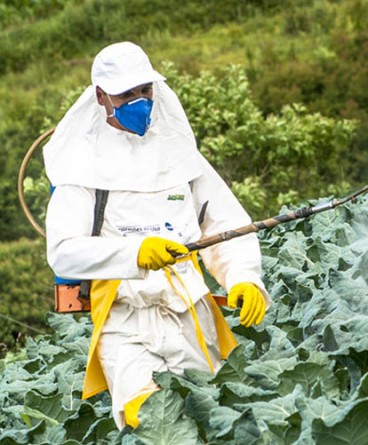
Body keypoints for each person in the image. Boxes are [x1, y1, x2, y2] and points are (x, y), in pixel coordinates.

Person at [44, 41, 270, 430]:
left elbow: (225, 223)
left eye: (145, 90)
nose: (140, 101)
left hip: (191, 311)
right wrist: (135, 253)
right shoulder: (79, 166)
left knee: (210, 422)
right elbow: (63, 253)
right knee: (147, 422)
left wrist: (244, 277)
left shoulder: (178, 153)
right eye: (126, 93)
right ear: (101, 96)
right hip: (125, 317)